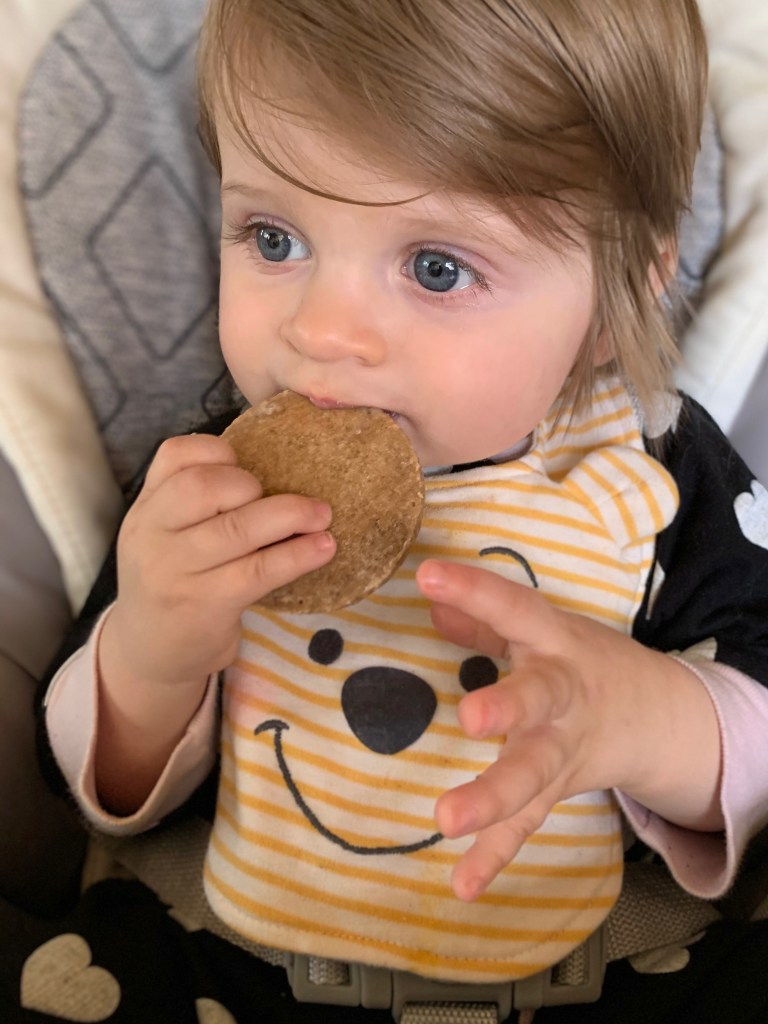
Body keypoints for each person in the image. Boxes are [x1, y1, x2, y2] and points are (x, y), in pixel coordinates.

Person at [41, 0, 768, 1019]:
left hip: (607, 973)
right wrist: (154, 656)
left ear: (613, 299)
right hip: (237, 962)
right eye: (274, 236)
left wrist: (644, 720)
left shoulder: (659, 467)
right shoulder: (214, 473)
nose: (323, 330)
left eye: (437, 266)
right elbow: (96, 786)